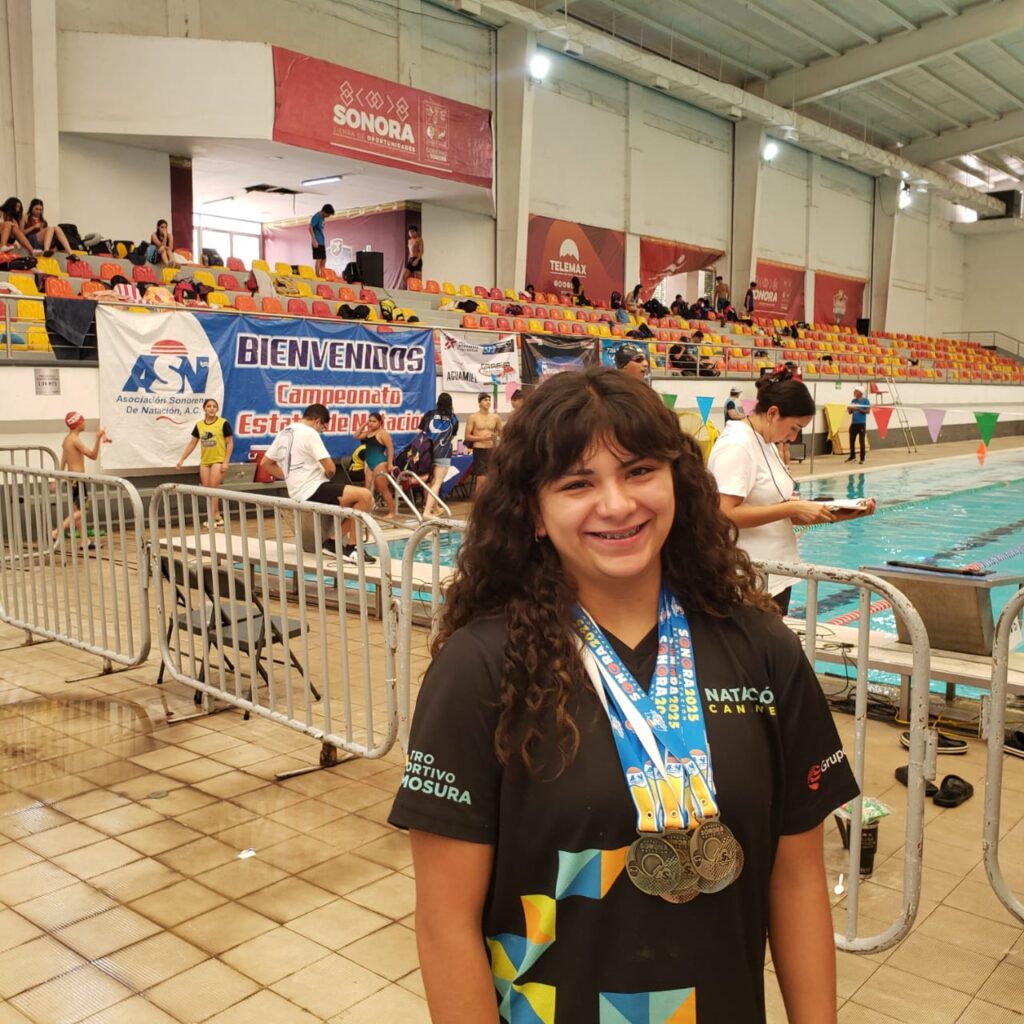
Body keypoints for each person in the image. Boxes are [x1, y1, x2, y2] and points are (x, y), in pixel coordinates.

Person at [389, 367, 859, 1023]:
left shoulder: (761, 648)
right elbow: (445, 924)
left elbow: (798, 879)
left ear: (677, 482)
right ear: (535, 514)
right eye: (577, 483)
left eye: (638, 471)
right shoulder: (481, 669)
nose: (617, 504)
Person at [707, 369, 838, 615]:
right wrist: (790, 508)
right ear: (773, 413)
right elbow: (724, 514)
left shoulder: (764, 441)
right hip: (748, 579)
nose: (793, 437)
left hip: (773, 575)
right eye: (794, 428)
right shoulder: (737, 445)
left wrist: (831, 512)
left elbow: (770, 507)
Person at [259, 403, 375, 563]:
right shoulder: (310, 433)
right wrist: (326, 474)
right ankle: (350, 547)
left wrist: (289, 476)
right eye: (323, 428)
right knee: (366, 496)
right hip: (312, 489)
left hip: (298, 491)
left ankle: (334, 542)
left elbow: (265, 463)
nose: (321, 432)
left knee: (354, 499)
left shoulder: (284, 432)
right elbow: (331, 468)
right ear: (317, 421)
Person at [51, 412, 108, 550]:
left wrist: (56, 479)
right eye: (83, 421)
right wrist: (98, 438)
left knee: (78, 512)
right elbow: (93, 456)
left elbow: (63, 462)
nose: (85, 423)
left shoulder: (66, 440)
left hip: (71, 480)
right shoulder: (75, 440)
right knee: (82, 511)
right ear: (77, 423)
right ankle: (56, 531)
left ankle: (85, 542)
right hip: (78, 480)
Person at [175, 398, 233, 526]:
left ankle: (212, 518)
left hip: (218, 460)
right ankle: (217, 515)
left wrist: (226, 462)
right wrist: (182, 459)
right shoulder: (199, 425)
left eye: (214, 406)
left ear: (217, 409)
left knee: (213, 488)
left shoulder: (223, 423)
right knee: (208, 489)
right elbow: (192, 443)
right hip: (205, 462)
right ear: (204, 409)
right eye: (209, 406)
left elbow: (229, 443)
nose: (212, 408)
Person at [420, 392, 459, 519]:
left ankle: (435, 508)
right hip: (443, 452)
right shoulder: (453, 418)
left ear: (438, 402)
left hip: (427, 452)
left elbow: (422, 433)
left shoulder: (429, 415)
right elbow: (452, 436)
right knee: (436, 483)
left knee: (431, 482)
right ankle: (427, 512)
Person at [355, 412, 397, 519]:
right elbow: (356, 436)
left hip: (380, 463)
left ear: (380, 423)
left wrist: (390, 463)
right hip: (369, 464)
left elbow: (390, 448)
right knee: (367, 489)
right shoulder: (368, 433)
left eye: (374, 421)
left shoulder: (383, 433)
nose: (371, 423)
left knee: (383, 489)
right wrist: (364, 424)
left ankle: (392, 512)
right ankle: (367, 510)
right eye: (370, 421)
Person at [465, 392, 501, 496]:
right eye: (485, 400)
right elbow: (467, 436)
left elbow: (502, 434)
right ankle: (478, 504)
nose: (488, 402)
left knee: (492, 479)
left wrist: (497, 440)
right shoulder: (473, 417)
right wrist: (482, 438)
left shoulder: (495, 418)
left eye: (489, 399)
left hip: (491, 450)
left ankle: (488, 504)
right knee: (481, 480)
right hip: (479, 450)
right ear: (479, 403)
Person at [309, 203, 335, 277]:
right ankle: (317, 276)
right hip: (317, 241)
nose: (328, 216)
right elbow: (310, 228)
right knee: (319, 259)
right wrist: (314, 240)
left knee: (324, 260)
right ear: (324, 211)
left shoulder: (322, 218)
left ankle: (323, 276)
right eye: (328, 215)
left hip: (321, 242)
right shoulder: (316, 217)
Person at [846, 388, 870, 464]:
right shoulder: (853, 401)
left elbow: (867, 411)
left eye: (855, 391)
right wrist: (849, 409)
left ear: (860, 393)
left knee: (861, 441)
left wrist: (858, 408)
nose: (854, 392)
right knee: (851, 441)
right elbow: (850, 412)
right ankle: (852, 456)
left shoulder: (866, 401)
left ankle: (862, 458)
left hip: (861, 423)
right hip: (854, 424)